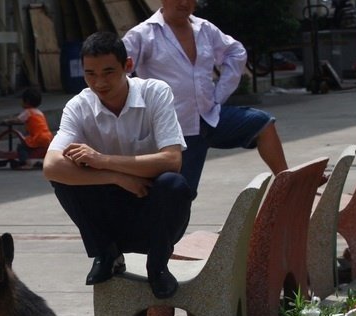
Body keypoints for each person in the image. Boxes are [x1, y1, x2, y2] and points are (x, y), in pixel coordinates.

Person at [42, 31, 193, 299]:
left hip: (154, 211)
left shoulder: (155, 93)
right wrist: (116, 177)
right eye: (90, 74)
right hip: (109, 210)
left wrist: (102, 160)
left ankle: (158, 266)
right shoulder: (78, 106)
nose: (99, 82)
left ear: (128, 66)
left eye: (109, 72)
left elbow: (172, 160)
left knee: (173, 184)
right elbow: (51, 166)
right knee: (64, 179)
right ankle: (106, 254)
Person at [123, 0, 288, 195]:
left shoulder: (204, 29)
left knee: (263, 124)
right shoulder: (142, 35)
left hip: (211, 118)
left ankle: (288, 184)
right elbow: (119, 72)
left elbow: (236, 52)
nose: (184, 3)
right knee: (180, 194)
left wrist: (219, 94)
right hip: (175, 130)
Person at [3, 87, 54, 170]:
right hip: (47, 136)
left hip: (38, 136)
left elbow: (18, 120)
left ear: (26, 101)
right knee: (40, 149)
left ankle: (27, 163)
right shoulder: (39, 112)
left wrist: (7, 121)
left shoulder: (28, 112)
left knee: (22, 147)